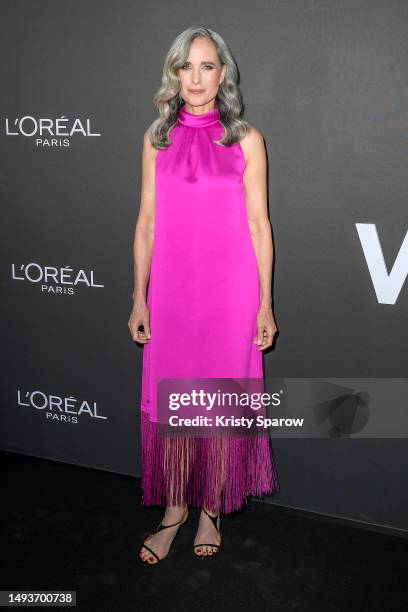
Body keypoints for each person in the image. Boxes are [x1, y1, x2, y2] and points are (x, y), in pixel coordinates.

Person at [128, 26, 279, 566]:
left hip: (229, 295)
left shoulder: (246, 140)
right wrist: (139, 297)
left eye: (207, 66)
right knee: (173, 403)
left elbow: (260, 226)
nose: (195, 77)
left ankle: (211, 507)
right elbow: (146, 223)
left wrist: (263, 303)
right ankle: (173, 512)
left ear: (223, 74)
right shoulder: (156, 139)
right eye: (185, 67)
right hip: (171, 295)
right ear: (173, 74)